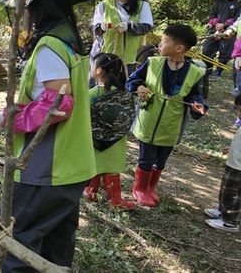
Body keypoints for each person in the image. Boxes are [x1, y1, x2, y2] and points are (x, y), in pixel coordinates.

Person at [0, 0, 96, 271]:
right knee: (57, 245)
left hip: (47, 168)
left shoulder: (49, 46)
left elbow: (58, 104)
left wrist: (7, 120)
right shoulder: (72, 43)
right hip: (74, 165)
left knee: (21, 245)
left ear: (40, 6)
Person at [126, 24, 207, 207]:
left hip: (172, 125)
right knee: (146, 158)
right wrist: (139, 87)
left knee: (161, 159)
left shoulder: (194, 72)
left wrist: (197, 104)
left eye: (163, 41)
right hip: (148, 121)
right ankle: (139, 188)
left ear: (179, 48)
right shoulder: (153, 62)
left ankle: (151, 187)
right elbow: (133, 80)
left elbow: (195, 94)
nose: (159, 45)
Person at [83, 53, 135, 210]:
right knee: (111, 168)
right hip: (116, 140)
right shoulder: (124, 94)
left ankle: (90, 193)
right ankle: (115, 200)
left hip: (94, 140)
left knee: (94, 165)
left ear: (98, 71)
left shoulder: (90, 94)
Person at [91, 0, 153, 75]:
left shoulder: (142, 5)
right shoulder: (104, 5)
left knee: (124, 88)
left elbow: (146, 27)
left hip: (129, 58)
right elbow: (93, 27)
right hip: (105, 57)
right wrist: (101, 27)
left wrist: (130, 26)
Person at [204, 96, 241, 233]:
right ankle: (222, 211)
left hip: (239, 167)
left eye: (239, 109)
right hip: (234, 163)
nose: (238, 113)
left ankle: (231, 221)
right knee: (225, 190)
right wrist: (230, 149)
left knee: (234, 194)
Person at [202, 0, 241, 85]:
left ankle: (218, 72)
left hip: (229, 31)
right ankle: (207, 70)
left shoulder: (239, 3)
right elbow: (213, 13)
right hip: (215, 30)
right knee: (207, 49)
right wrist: (215, 24)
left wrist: (225, 26)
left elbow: (238, 18)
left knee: (225, 52)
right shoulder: (220, 1)